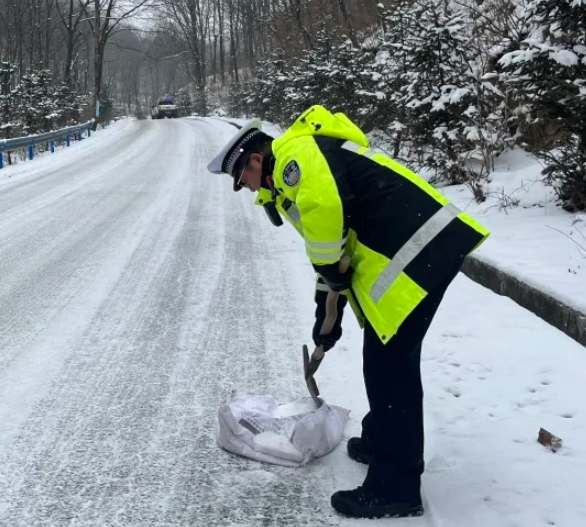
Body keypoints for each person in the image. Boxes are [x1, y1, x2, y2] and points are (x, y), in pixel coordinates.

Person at [207, 105, 489, 519]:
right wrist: (327, 316)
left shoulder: (293, 155)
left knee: (390, 369)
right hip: (421, 250)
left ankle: (396, 487)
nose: (247, 190)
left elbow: (326, 212)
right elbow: (333, 248)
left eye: (242, 180)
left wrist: (329, 271)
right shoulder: (302, 161)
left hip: (420, 251)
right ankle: (380, 440)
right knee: (386, 362)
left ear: (254, 160)